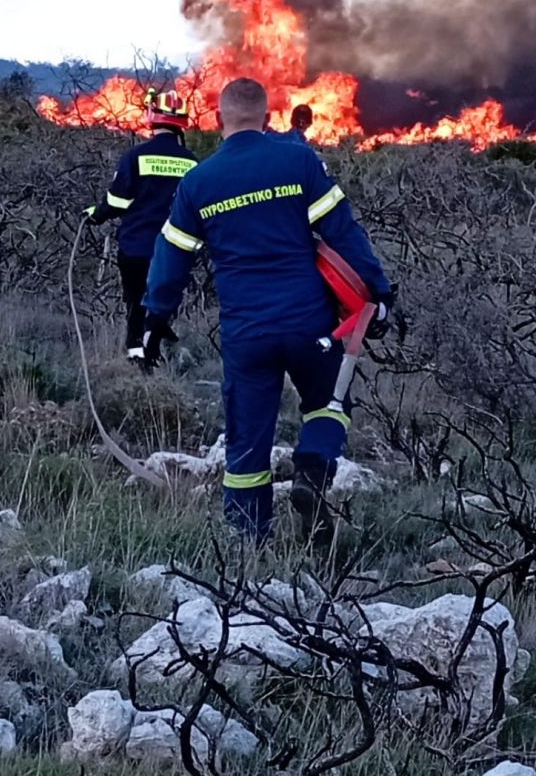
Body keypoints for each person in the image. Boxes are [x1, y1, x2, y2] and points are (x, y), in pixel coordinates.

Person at [143, 78, 393, 546]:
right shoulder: (297, 159)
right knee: (329, 404)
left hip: (246, 334)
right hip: (309, 324)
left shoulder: (198, 182)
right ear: (267, 117)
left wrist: (155, 316)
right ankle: (313, 468)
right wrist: (379, 294)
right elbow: (344, 233)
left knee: (246, 440)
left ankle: (249, 547)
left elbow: (171, 254)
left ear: (218, 121)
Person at [85, 89, 197, 367]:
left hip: (136, 247)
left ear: (152, 118)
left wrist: (95, 215)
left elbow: (117, 200)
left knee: (135, 302)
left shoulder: (136, 157)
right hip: (174, 251)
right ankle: (154, 350)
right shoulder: (193, 162)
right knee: (162, 301)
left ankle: (137, 354)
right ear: (182, 123)